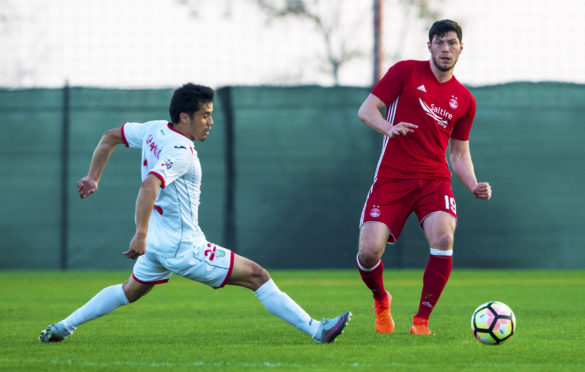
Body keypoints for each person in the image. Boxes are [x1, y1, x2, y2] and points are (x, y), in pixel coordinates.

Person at [40, 83, 350, 344]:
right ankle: (316, 330)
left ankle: (63, 327)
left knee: (129, 291)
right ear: (184, 117)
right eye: (205, 115)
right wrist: (140, 233)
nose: (210, 121)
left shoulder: (152, 130)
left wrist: (94, 176)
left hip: (160, 244)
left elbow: (110, 136)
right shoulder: (181, 154)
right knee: (257, 275)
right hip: (181, 245)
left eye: (211, 115)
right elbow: (150, 184)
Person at [356, 20, 491, 335]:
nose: (446, 49)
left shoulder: (465, 100)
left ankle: (421, 321)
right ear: (429, 46)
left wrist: (473, 184)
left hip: (434, 180)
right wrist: (389, 128)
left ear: (460, 48)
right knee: (368, 252)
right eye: (440, 42)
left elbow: (458, 154)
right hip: (392, 178)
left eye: (452, 43)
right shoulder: (405, 72)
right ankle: (381, 299)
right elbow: (366, 110)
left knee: (444, 238)